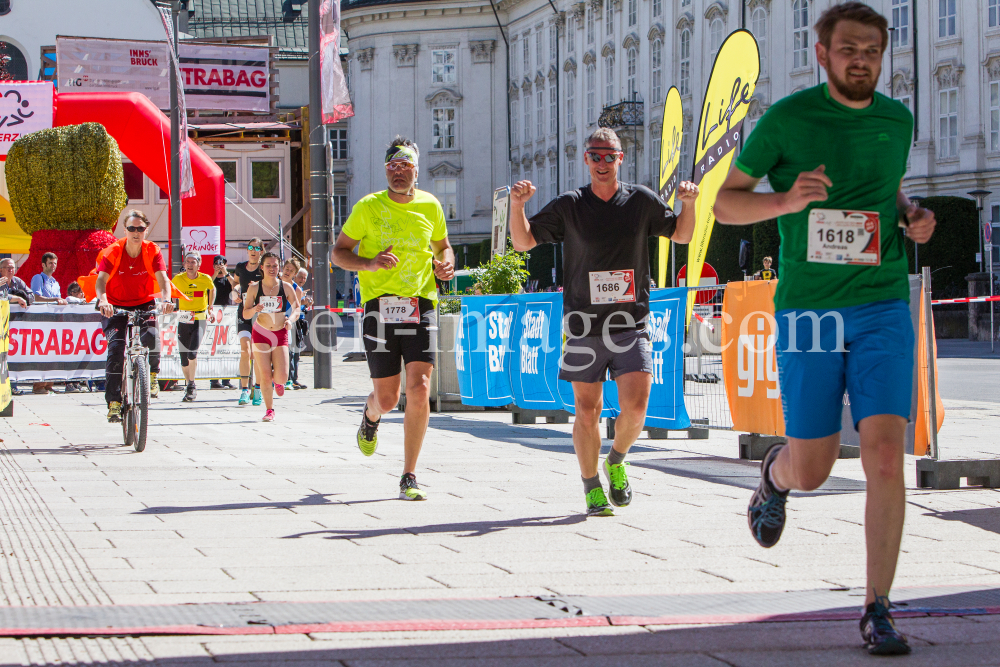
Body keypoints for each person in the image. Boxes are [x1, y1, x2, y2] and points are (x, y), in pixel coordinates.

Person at [713, 3, 936, 655]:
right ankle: (775, 479)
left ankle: (878, 607)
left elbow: (887, 194)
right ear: (822, 52)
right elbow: (727, 200)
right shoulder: (788, 120)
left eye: (872, 48)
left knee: (886, 454)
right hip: (809, 311)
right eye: (847, 48)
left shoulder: (897, 121)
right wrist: (785, 201)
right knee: (813, 467)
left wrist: (914, 215)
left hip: (882, 305)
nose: (860, 58)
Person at [509, 127, 697, 517]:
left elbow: (681, 234)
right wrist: (517, 206)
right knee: (587, 411)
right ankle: (592, 485)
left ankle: (617, 459)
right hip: (583, 326)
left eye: (609, 156)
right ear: (586, 160)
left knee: (636, 406)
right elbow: (523, 242)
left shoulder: (641, 201)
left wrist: (690, 204)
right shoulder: (570, 205)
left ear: (620, 159)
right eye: (595, 156)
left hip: (630, 323)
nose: (602, 163)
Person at [332, 136, 455, 501]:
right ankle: (371, 417)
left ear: (416, 170)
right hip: (379, 306)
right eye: (391, 166)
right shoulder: (368, 207)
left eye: (404, 166)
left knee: (419, 389)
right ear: (385, 169)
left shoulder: (431, 205)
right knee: (388, 399)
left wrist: (446, 263)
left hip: (421, 304)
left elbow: (443, 245)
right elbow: (338, 253)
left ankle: (409, 475)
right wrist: (368, 263)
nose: (398, 172)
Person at [95, 210, 175, 422]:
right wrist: (103, 301)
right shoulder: (114, 251)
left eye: (140, 228)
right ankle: (114, 402)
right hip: (114, 305)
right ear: (125, 230)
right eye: (132, 228)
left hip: (143, 301)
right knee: (116, 348)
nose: (136, 232)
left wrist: (166, 300)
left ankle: (152, 375)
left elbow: (164, 280)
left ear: (146, 230)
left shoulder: (152, 250)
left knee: (151, 335)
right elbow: (100, 281)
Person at [241, 252, 299, 422]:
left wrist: (291, 320)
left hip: (280, 332)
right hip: (261, 332)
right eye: (268, 266)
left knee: (282, 375)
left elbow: (297, 308)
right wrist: (255, 310)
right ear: (262, 267)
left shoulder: (286, 287)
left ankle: (279, 381)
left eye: (275, 266)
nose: (272, 269)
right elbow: (245, 313)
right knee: (265, 375)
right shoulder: (254, 288)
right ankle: (269, 410)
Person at [171, 251, 216, 402]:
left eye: (193, 262)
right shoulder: (178, 279)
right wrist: (170, 303)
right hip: (184, 318)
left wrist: (210, 307)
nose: (190, 265)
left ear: (199, 264)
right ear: (184, 264)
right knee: (184, 357)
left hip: (199, 318)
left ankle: (191, 385)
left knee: (192, 353)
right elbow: (170, 290)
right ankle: (189, 384)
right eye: (188, 262)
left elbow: (212, 288)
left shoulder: (205, 279)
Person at [234, 240, 264, 406]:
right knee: (245, 350)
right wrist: (235, 292)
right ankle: (245, 389)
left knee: (257, 353)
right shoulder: (240, 266)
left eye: (256, 248)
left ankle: (258, 388)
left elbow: (273, 285)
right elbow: (234, 284)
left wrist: (258, 286)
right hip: (244, 313)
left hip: (260, 315)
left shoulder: (264, 268)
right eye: (250, 248)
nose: (253, 251)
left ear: (261, 251)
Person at [210, 255, 236, 390]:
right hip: (214, 315)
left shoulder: (228, 278)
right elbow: (208, 287)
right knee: (214, 347)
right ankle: (214, 380)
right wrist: (215, 273)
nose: (219, 266)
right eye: (217, 264)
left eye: (222, 264)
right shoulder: (211, 279)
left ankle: (227, 379)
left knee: (226, 347)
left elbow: (236, 286)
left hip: (226, 316)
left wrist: (226, 272)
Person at [281, 259, 305, 391]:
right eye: (286, 269)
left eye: (291, 271)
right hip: (273, 320)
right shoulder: (275, 283)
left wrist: (290, 320)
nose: (287, 272)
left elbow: (297, 308)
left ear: (295, 273)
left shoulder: (297, 289)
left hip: (288, 322)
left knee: (288, 353)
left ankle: (289, 379)